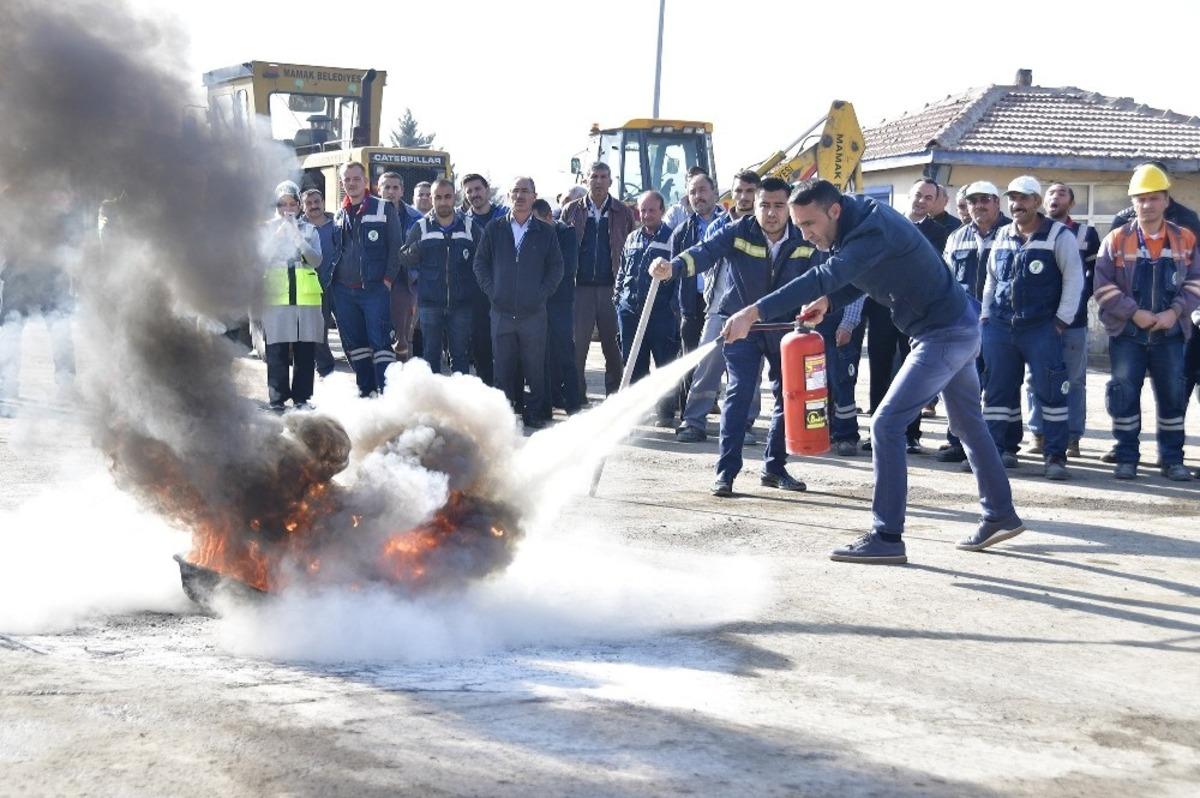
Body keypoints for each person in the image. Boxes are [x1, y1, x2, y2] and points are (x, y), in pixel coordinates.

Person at [721, 179, 1024, 564]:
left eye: (809, 224)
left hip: (944, 334)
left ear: (834, 211)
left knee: (886, 424)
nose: (805, 234)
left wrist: (754, 311)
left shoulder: (869, 228)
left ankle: (887, 536)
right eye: (799, 227)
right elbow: (858, 276)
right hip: (956, 327)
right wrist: (829, 302)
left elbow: (826, 274)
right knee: (967, 424)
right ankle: (1000, 513)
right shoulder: (858, 225)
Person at [651, 177, 815, 498]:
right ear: (754, 205)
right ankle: (726, 473)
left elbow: (823, 273)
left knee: (788, 398)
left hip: (784, 329)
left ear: (789, 207)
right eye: (764, 205)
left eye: (778, 206)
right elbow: (704, 252)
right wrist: (671, 267)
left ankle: (774, 466)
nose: (771, 213)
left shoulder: (803, 237)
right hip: (741, 327)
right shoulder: (738, 232)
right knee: (738, 396)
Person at [1094, 164, 1200, 481]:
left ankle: (1172, 460)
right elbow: (1101, 284)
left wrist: (1175, 312)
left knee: (1172, 397)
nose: (1147, 205)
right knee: (1125, 395)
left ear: (1167, 200)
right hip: (1128, 333)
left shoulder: (1186, 238)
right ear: (1133, 202)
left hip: (1170, 334)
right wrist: (1133, 312)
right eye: (1141, 199)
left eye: (1154, 198)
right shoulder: (1115, 238)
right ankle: (1126, 457)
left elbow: (1196, 282)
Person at [979, 176, 1083, 480]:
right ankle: (999, 450)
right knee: (997, 392)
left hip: (1041, 327)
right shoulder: (1002, 235)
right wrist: (986, 316)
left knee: (1051, 391)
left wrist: (1061, 320)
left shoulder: (1059, 235)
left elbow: (1074, 280)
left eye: (1023, 199)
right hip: (1000, 326)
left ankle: (1055, 456)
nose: (1016, 205)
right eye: (1012, 199)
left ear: (1036, 202)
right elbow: (991, 281)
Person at [674, 170, 761, 443]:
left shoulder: (766, 227)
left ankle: (742, 424)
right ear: (731, 193)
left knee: (748, 372)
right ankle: (693, 421)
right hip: (719, 308)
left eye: (749, 191)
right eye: (739, 191)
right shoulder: (718, 226)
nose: (744, 197)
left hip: (752, 313)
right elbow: (704, 258)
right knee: (707, 365)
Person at [473, 177, 563, 429]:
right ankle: (504, 417)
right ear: (509, 196)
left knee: (534, 368)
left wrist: (541, 294)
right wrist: (493, 292)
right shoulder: (494, 228)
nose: (520, 196)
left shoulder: (545, 232)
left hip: (534, 313)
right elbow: (480, 264)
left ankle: (533, 413)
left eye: (526, 191)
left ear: (534, 196)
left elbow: (556, 268)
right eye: (516, 191)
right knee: (502, 367)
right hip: (501, 312)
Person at [1024, 182, 1099, 459]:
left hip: (1073, 322)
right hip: (1038, 322)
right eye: (1051, 193)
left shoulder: (1085, 234)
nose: (1055, 197)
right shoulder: (1032, 231)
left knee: (1074, 381)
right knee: (1034, 379)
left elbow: (1092, 277)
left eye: (1062, 193)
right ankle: (1038, 434)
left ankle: (1072, 438)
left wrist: (1072, 304)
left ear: (1072, 202)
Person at [937, 180, 1010, 463]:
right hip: (963, 323)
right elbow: (946, 278)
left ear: (996, 202)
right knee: (961, 386)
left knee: (997, 386)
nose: (979, 205)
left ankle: (999, 446)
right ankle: (957, 443)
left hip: (998, 321)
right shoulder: (956, 237)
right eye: (973, 200)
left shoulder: (1009, 234)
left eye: (985, 199)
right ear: (966, 206)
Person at [325, 161, 404, 397]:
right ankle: (365, 391)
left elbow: (396, 249)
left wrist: (387, 281)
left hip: (374, 290)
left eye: (356, 178)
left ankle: (387, 394)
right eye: (346, 180)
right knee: (356, 346)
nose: (351, 183)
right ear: (342, 184)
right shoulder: (339, 214)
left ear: (366, 181)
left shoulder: (383, 209)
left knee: (380, 344)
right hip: (344, 292)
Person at [0, 188, 80, 415]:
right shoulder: (53, 194)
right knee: (13, 332)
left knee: (19, 331)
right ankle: (8, 387)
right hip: (31, 276)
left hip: (41, 276)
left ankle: (10, 387)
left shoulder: (16, 192)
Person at [562, 161, 636, 402]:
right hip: (579, 289)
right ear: (586, 180)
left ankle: (614, 398)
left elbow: (630, 249)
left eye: (603, 176)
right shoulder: (571, 211)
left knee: (614, 349)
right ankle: (576, 396)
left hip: (612, 289)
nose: (598, 181)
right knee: (577, 348)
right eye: (594, 176)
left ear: (611, 181)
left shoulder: (623, 212)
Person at [398, 177, 480, 374]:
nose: (443, 202)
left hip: (462, 304)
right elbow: (404, 257)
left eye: (447, 197)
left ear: (455, 198)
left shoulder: (470, 226)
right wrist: (417, 249)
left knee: (460, 356)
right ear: (432, 199)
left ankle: (458, 402)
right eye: (438, 197)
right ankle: (433, 401)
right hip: (430, 304)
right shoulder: (421, 226)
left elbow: (484, 259)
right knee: (431, 355)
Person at [616, 191, 679, 425]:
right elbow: (622, 272)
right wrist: (619, 302)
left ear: (662, 211)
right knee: (634, 365)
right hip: (630, 313)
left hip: (661, 314)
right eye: (643, 210)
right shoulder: (631, 238)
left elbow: (678, 276)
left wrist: (673, 309)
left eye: (652, 210)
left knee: (665, 363)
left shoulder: (673, 238)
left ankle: (665, 413)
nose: (646, 214)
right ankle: (637, 413)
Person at [260, 182, 323, 412]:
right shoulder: (266, 228)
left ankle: (302, 398)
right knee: (276, 349)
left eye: (292, 203)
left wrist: (297, 238)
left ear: (299, 205)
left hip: (305, 298)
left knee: (305, 351)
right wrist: (278, 236)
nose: (287, 208)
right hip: (276, 296)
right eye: (282, 204)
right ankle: (277, 399)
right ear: (276, 206)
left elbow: (316, 260)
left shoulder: (309, 230)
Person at [533, 198, 581, 416]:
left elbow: (566, 268)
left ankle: (573, 402)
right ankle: (546, 404)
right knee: (541, 354)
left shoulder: (566, 234)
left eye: (539, 222)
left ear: (549, 217)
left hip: (560, 300)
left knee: (564, 351)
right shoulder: (534, 233)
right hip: (539, 302)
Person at [462, 173, 508, 386]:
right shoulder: (461, 221)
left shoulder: (505, 217)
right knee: (481, 347)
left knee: (507, 346)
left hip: (506, 291)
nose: (474, 194)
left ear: (487, 190)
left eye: (477, 189)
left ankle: (510, 394)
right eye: (469, 191)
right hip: (475, 294)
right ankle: (488, 393)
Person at [378, 171, 423, 361]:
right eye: (386, 187)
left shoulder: (416, 217)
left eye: (395, 187)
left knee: (403, 336)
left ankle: (403, 377)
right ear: (378, 189)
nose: (391, 192)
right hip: (377, 279)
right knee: (377, 332)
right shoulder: (370, 213)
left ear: (402, 191)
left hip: (405, 281)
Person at [300, 189, 337, 379]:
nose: (314, 206)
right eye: (309, 203)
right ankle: (325, 370)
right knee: (318, 331)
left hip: (339, 285)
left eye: (317, 201)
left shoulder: (337, 224)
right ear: (303, 206)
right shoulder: (299, 228)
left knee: (348, 327)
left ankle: (359, 368)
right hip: (313, 287)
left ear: (323, 201)